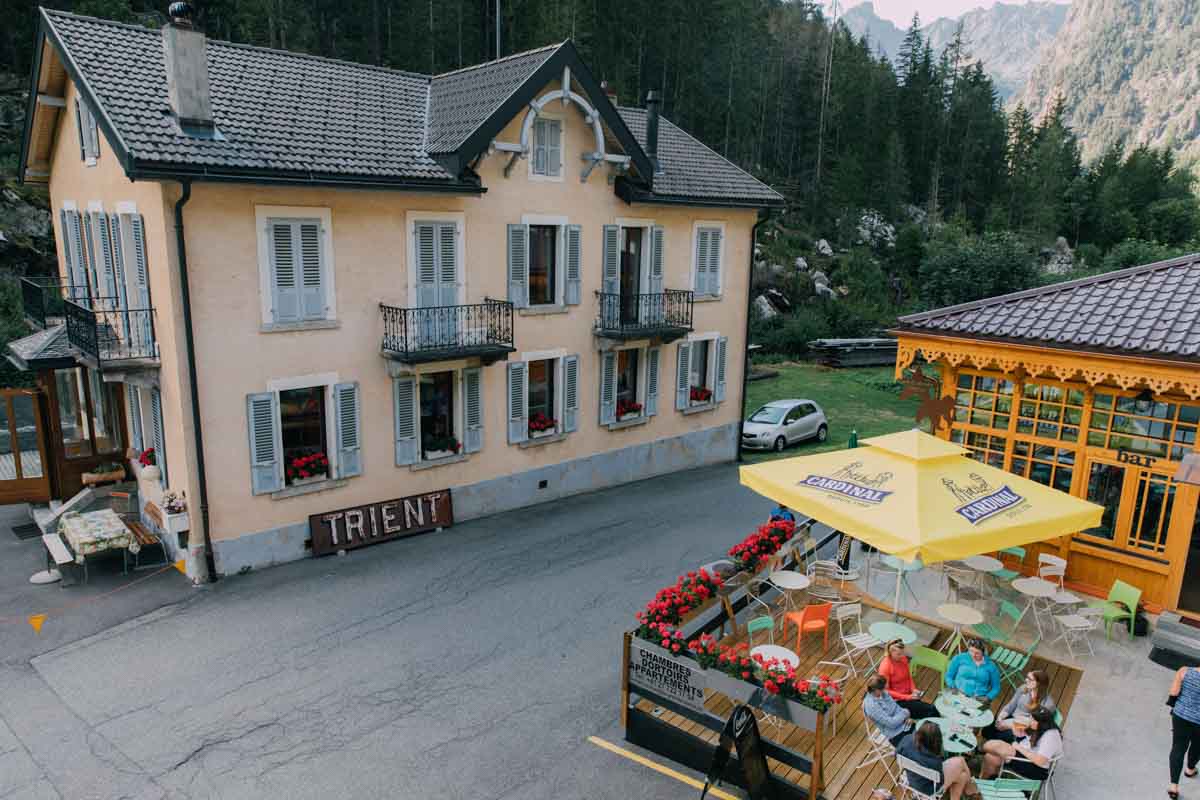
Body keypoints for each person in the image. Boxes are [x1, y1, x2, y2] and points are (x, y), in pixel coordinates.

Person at [895, 721, 981, 800]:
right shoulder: (934, 761)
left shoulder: (906, 740)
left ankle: (966, 788)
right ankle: (970, 787)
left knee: (962, 776)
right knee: (961, 761)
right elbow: (940, 779)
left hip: (911, 779)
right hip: (929, 789)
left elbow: (896, 754)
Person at [981, 706, 1063, 781]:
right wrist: (1015, 726)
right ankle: (984, 785)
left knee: (994, 746)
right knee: (990, 757)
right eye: (1031, 717)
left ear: (1043, 723)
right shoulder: (1039, 727)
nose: (1030, 721)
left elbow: (1040, 761)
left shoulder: (1051, 736)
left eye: (1033, 720)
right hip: (1023, 755)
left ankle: (978, 750)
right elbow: (1020, 734)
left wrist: (1018, 747)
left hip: (1036, 768)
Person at [982, 669, 1056, 743]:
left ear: (1039, 684)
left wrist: (1010, 724)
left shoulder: (1048, 704)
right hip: (1011, 718)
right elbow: (1011, 705)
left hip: (1024, 729)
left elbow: (1034, 725)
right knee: (987, 728)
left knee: (1003, 736)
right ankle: (988, 746)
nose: (1026, 680)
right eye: (1027, 677)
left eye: (1030, 679)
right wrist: (1000, 717)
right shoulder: (1024, 688)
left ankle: (989, 747)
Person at [878, 639, 938, 719]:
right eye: (899, 654)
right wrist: (907, 697)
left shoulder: (903, 659)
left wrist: (913, 689)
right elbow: (886, 691)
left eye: (903, 652)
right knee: (930, 710)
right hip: (897, 701)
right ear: (890, 653)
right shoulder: (885, 667)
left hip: (909, 695)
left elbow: (908, 677)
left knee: (929, 710)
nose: (902, 656)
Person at [1167, 664, 1200, 798]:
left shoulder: (1184, 671)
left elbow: (1174, 693)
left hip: (1181, 716)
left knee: (1178, 748)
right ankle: (1190, 769)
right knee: (1197, 747)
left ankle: (1173, 786)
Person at [863, 674, 913, 748]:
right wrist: (905, 713)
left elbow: (896, 708)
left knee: (927, 739)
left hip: (906, 724)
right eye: (883, 688)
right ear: (876, 690)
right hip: (895, 734)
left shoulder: (883, 693)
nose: (885, 689)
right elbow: (891, 723)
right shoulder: (871, 706)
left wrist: (906, 717)